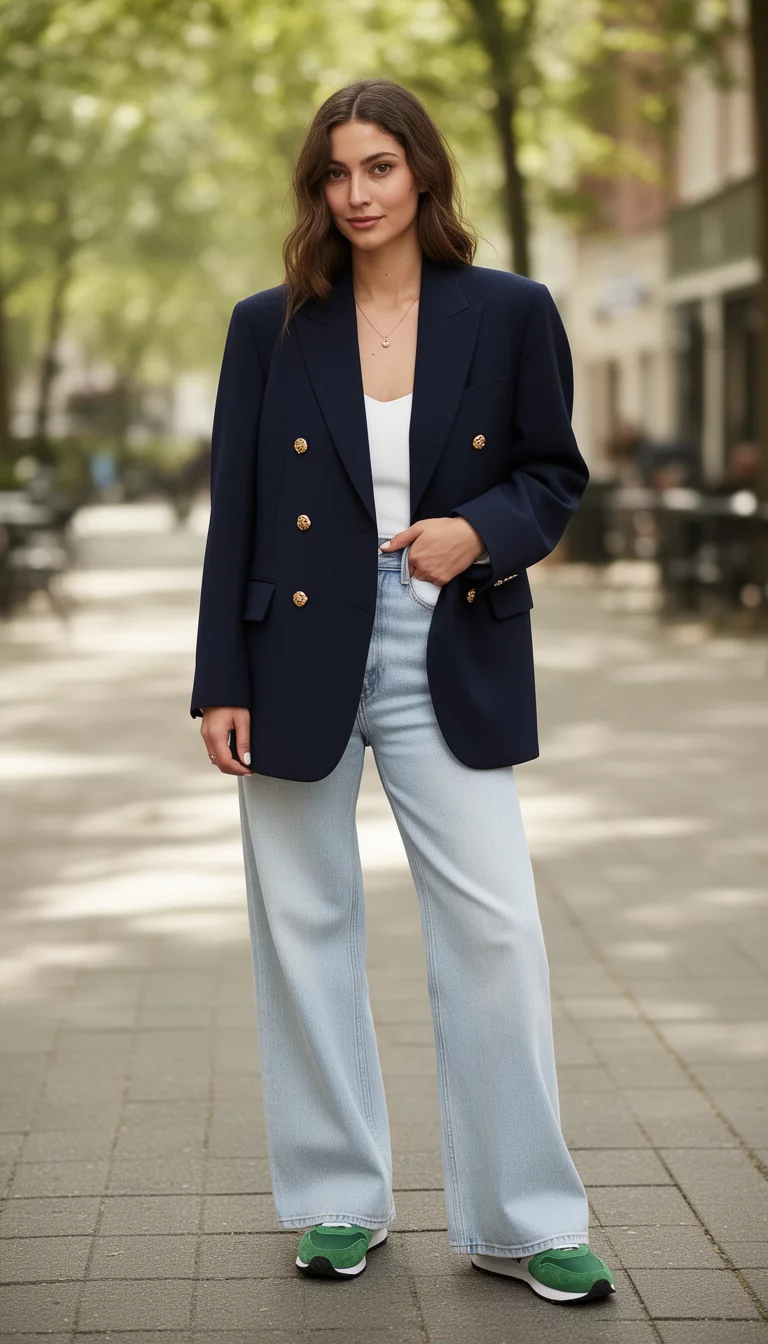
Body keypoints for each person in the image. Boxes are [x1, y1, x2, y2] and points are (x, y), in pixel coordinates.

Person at [190, 78, 616, 1306]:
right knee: (304, 926)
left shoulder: (512, 310)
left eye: (378, 167)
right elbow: (239, 515)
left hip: (451, 639)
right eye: (335, 173)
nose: (357, 193)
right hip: (290, 656)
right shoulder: (268, 325)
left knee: (494, 931)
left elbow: (553, 473)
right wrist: (219, 678)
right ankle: (335, 1204)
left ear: (421, 172)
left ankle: (524, 1223)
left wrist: (474, 535)